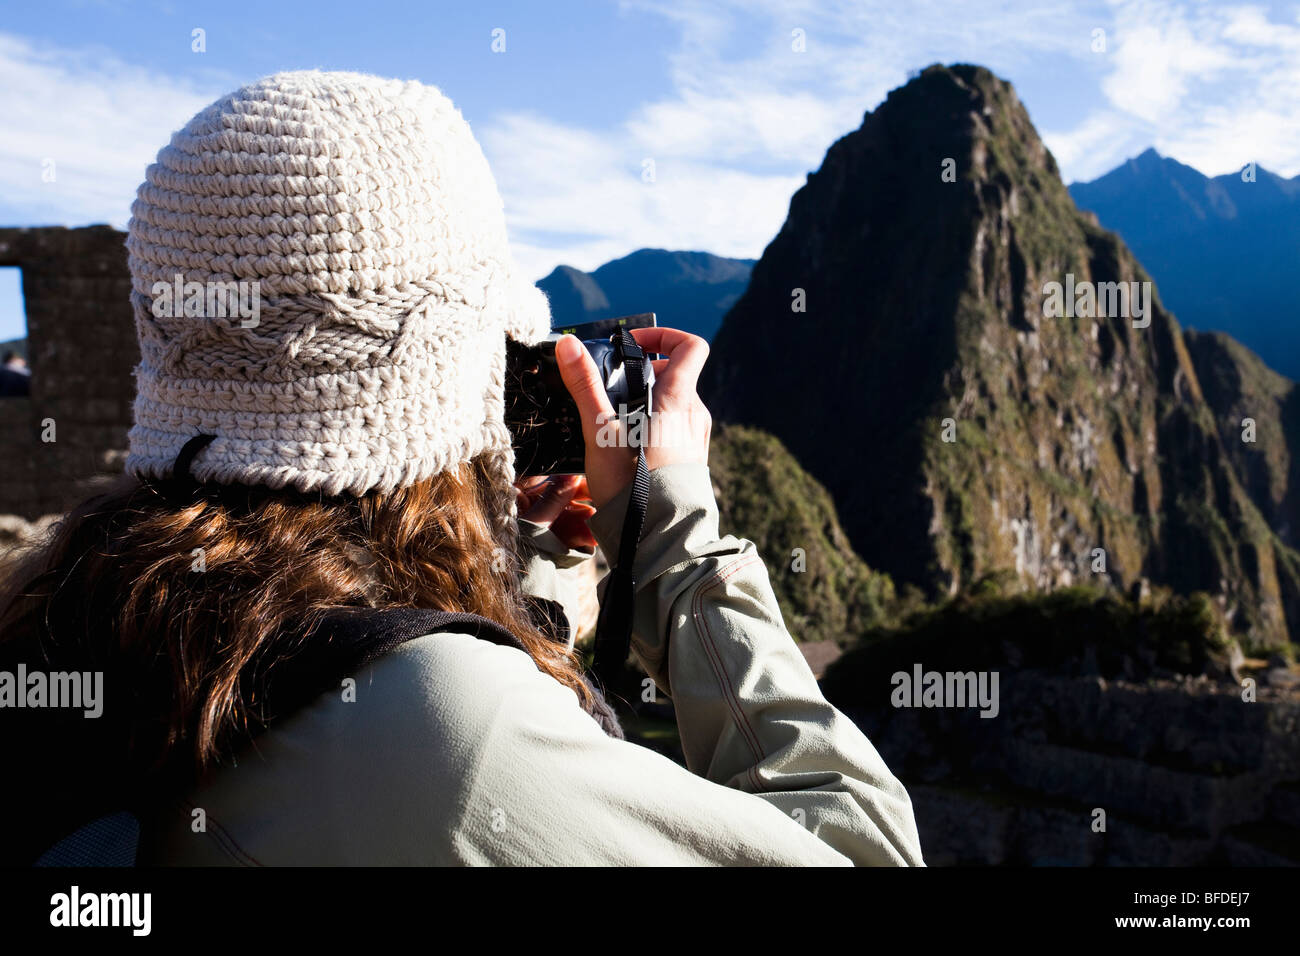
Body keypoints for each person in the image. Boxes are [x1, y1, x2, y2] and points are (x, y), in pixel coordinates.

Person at [0, 71, 923, 866]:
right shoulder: (454, 732)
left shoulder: (70, 614)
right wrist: (680, 545)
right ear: (462, 390)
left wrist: (504, 577)